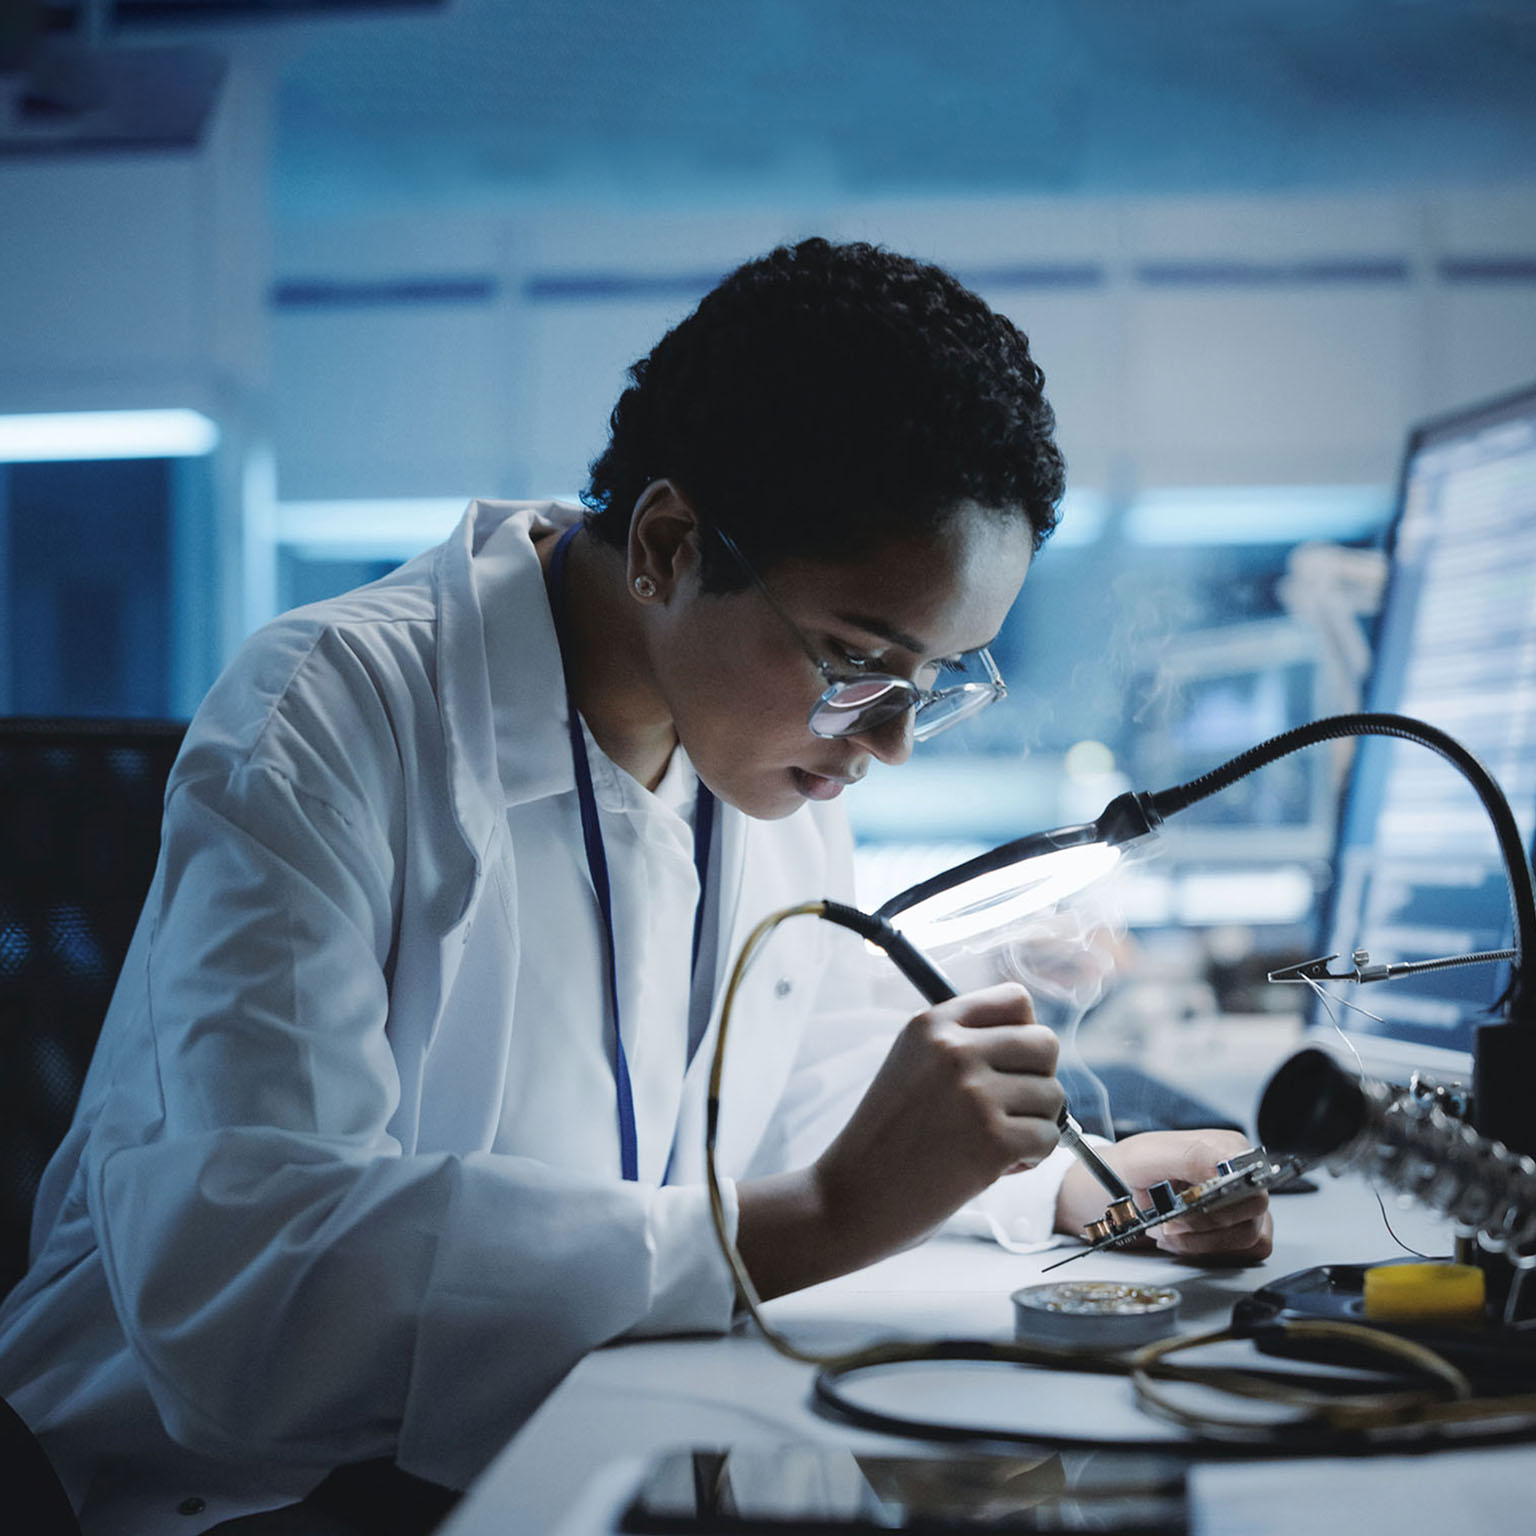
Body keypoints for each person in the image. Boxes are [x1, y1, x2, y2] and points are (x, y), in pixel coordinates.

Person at [0, 238, 1270, 1534]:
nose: (890, 740)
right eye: (859, 660)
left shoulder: (760, 757)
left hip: (564, 1439)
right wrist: (821, 1216)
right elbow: (254, 1297)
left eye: (936, 679)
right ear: (668, 544)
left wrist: (1070, 1179)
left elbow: (814, 1094)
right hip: (221, 1497)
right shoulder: (330, 716)